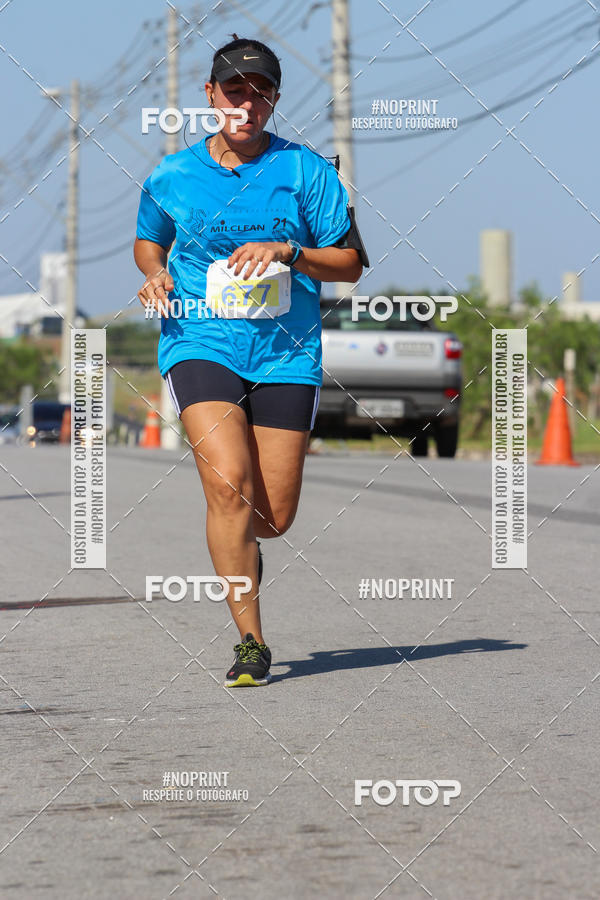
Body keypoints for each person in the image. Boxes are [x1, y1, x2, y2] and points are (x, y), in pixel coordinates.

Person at [134, 35, 364, 686]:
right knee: (230, 483)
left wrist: (289, 251)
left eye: (260, 93)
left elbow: (349, 262)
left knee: (273, 517)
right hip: (200, 340)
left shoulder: (307, 172)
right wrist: (154, 276)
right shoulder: (173, 174)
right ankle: (251, 641)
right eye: (235, 90)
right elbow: (149, 242)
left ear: (273, 102)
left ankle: (246, 549)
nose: (247, 103)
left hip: (286, 352)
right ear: (211, 97)